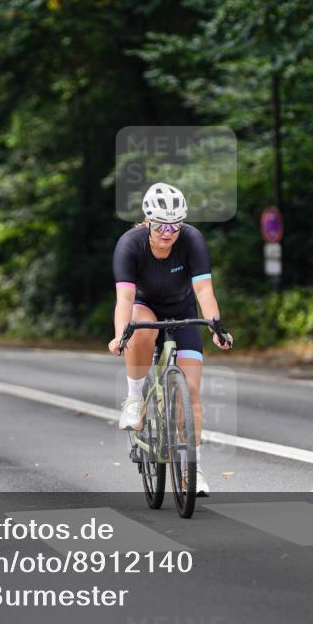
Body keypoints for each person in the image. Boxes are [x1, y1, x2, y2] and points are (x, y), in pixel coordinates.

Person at [108, 182, 233, 497]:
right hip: (144, 307)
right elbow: (124, 298)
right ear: (148, 220)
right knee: (141, 329)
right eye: (161, 225)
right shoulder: (130, 244)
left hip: (182, 310)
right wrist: (121, 333)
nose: (168, 232)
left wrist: (216, 327)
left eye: (175, 225)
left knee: (191, 392)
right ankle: (135, 398)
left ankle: (195, 468)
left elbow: (204, 290)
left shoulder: (192, 239)